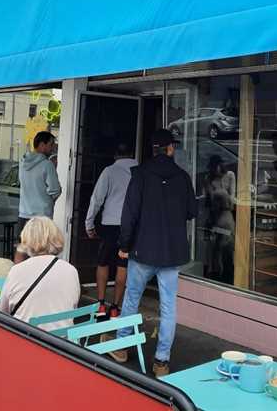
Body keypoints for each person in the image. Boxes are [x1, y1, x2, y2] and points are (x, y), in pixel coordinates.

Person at [111, 129, 196, 377]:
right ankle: (161, 362)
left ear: (153, 149)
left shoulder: (140, 175)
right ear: (170, 148)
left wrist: (124, 246)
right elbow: (192, 211)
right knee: (168, 306)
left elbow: (129, 215)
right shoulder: (183, 177)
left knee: (132, 298)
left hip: (142, 250)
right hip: (172, 254)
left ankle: (122, 347)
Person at [0, 216, 80, 332]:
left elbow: (2, 312)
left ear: (26, 239)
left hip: (27, 341)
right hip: (63, 343)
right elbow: (71, 308)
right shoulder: (71, 271)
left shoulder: (17, 271)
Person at [84, 143, 137, 318]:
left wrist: (89, 224)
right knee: (123, 264)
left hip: (109, 223)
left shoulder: (109, 171)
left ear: (116, 155)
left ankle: (100, 304)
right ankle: (115, 307)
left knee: (103, 262)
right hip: (130, 225)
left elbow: (96, 199)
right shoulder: (140, 171)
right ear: (131, 153)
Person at [18, 131, 61, 243]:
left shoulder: (22, 163)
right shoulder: (47, 165)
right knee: (40, 252)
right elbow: (55, 190)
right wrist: (49, 202)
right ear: (42, 145)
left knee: (22, 249)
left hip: (23, 213)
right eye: (51, 144)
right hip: (42, 217)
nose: (53, 147)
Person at [203, 155, 236, 283]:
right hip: (214, 216)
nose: (213, 170)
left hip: (226, 216)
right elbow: (209, 200)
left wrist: (220, 194)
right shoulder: (208, 179)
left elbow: (231, 200)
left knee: (227, 247)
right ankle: (215, 274)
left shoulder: (230, 176)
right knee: (215, 249)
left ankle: (228, 275)